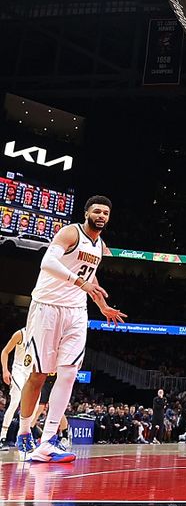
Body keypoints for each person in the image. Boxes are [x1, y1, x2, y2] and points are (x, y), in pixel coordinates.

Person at [15, 195, 126, 462]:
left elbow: (91, 277)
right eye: (97, 211)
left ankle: (49, 440)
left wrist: (101, 305)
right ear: (87, 212)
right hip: (47, 306)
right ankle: (24, 432)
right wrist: (80, 283)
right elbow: (47, 263)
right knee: (39, 375)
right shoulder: (69, 232)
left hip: (76, 311)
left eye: (106, 213)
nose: (101, 216)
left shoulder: (100, 244)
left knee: (68, 373)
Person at [1, 328, 29, 450]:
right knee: (15, 401)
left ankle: (22, 438)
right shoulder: (20, 333)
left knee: (35, 404)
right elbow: (5, 351)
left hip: (30, 372)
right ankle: (2, 437)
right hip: (18, 370)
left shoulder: (40, 334)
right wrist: (5, 370)